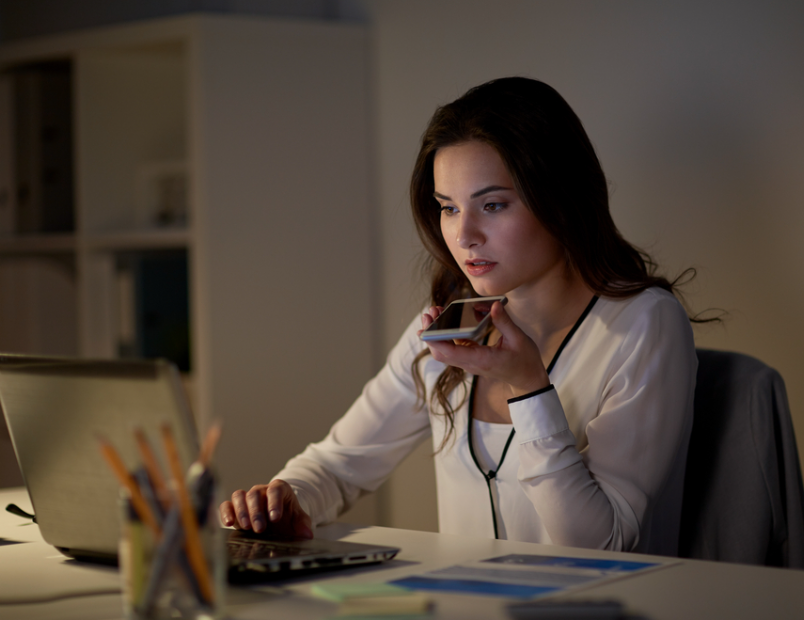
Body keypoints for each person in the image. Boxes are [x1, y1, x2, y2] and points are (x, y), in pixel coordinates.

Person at [219, 77, 697, 555]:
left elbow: (602, 543)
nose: (464, 235)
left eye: (492, 205)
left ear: (561, 198)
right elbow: (339, 465)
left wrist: (529, 387)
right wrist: (283, 498)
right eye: (448, 207)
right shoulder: (451, 322)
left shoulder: (645, 325)